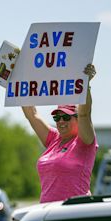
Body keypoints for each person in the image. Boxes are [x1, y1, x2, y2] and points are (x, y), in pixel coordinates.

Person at [21, 64, 98, 203]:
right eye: (57, 117)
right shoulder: (54, 139)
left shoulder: (84, 141)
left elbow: (85, 113)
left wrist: (85, 84)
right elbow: (32, 114)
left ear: (77, 118)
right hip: (49, 212)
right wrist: (18, 82)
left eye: (66, 117)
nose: (61, 121)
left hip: (74, 213)